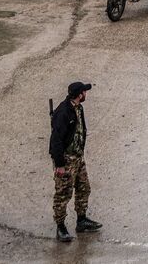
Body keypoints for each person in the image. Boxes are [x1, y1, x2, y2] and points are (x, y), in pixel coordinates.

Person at [49, 81, 103, 242]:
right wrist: (59, 164)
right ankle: (60, 227)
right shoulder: (63, 112)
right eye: (84, 92)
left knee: (84, 188)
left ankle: (81, 220)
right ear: (79, 94)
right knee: (63, 193)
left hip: (78, 157)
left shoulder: (78, 108)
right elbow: (56, 140)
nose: (86, 94)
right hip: (66, 160)